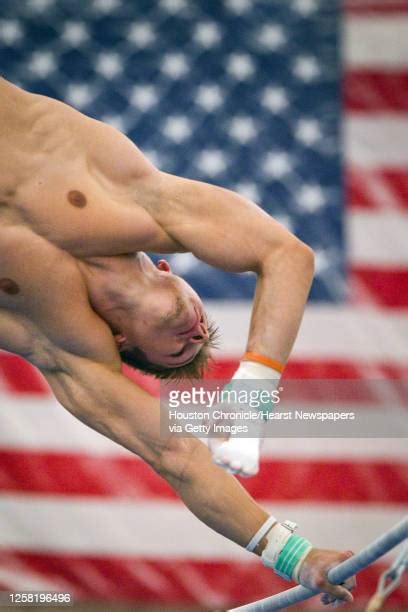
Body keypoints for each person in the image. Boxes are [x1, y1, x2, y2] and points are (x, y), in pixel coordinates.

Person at [0, 76, 355, 606]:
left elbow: (179, 455)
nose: (196, 333)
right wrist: (252, 396)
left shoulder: (60, 344)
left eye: (180, 349)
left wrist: (296, 556)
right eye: (202, 331)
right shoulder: (139, 195)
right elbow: (286, 254)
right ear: (171, 271)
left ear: (120, 338)